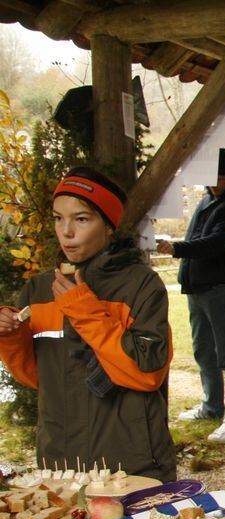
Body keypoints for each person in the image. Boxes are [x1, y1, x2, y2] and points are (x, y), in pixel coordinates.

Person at [0, 167, 176, 482]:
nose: (66, 231)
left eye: (81, 219)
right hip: (61, 465)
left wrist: (84, 310)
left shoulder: (141, 286)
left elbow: (147, 374)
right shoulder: (40, 289)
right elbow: (40, 377)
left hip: (130, 465)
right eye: (58, 218)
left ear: (109, 226)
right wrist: (11, 338)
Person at [157, 148, 225, 444]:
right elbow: (197, 236)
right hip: (199, 287)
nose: (214, 185)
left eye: (219, 180)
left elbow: (217, 243)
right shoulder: (209, 200)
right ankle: (212, 405)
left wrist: (177, 248)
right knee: (203, 350)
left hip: (223, 288)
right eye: (211, 180)